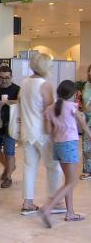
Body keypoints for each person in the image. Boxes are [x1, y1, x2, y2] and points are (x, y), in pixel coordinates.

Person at [40, 80, 90, 227]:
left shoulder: (50, 109)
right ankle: (48, 207)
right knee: (72, 181)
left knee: (68, 181)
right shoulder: (72, 106)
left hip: (58, 146)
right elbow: (83, 124)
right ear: (73, 94)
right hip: (69, 145)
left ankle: (70, 213)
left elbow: (48, 131)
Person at [19, 53, 63, 215]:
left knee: (29, 167)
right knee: (53, 167)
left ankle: (28, 203)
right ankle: (55, 202)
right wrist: (53, 132)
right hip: (43, 133)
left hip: (27, 130)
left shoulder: (24, 83)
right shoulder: (45, 85)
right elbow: (50, 111)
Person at [0, 66, 20, 188]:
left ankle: (8, 177)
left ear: (11, 77)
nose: (4, 80)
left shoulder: (17, 89)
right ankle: (9, 167)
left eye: (7, 78)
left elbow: (22, 103)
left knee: (9, 152)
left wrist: (7, 102)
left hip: (10, 125)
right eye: (1, 78)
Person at [80, 64, 91, 180]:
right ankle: (88, 171)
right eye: (89, 71)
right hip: (86, 119)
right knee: (86, 147)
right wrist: (84, 109)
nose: (90, 73)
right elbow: (83, 99)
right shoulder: (86, 85)